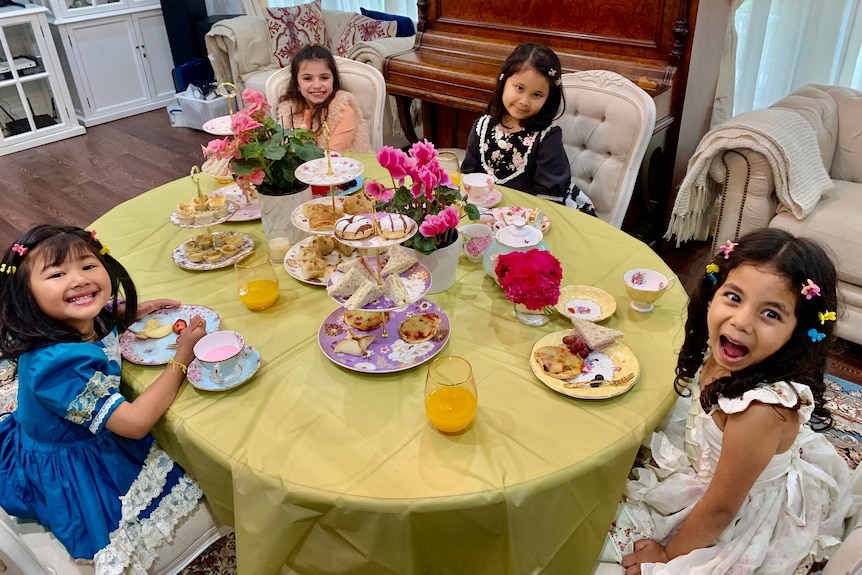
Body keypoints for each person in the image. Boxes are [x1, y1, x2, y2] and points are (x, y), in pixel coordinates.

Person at [597, 228, 855, 574]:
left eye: (771, 314)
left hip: (731, 512)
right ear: (713, 292)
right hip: (720, 471)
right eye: (734, 297)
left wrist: (667, 555)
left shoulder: (759, 413)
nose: (741, 321)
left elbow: (720, 508)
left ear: (799, 330)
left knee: (593, 530)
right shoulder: (723, 352)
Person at [0, 225, 211, 571]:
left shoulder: (77, 320)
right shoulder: (57, 364)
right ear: (26, 295)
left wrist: (127, 311)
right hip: (75, 459)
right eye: (57, 274)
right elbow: (135, 423)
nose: (79, 280)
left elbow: (96, 314)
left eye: (87, 266)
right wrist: (181, 357)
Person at [460, 42, 595, 214]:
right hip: (491, 213)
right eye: (519, 88)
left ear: (548, 98)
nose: (524, 101)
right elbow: (469, 176)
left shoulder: (547, 137)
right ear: (503, 80)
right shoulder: (483, 126)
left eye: (537, 95)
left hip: (535, 215)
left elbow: (548, 200)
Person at [275, 44, 373, 154]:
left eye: (324, 78)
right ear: (297, 84)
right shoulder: (289, 111)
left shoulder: (342, 109)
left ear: (333, 80)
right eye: (308, 78)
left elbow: (333, 156)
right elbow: (284, 150)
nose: (317, 85)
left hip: (342, 167)